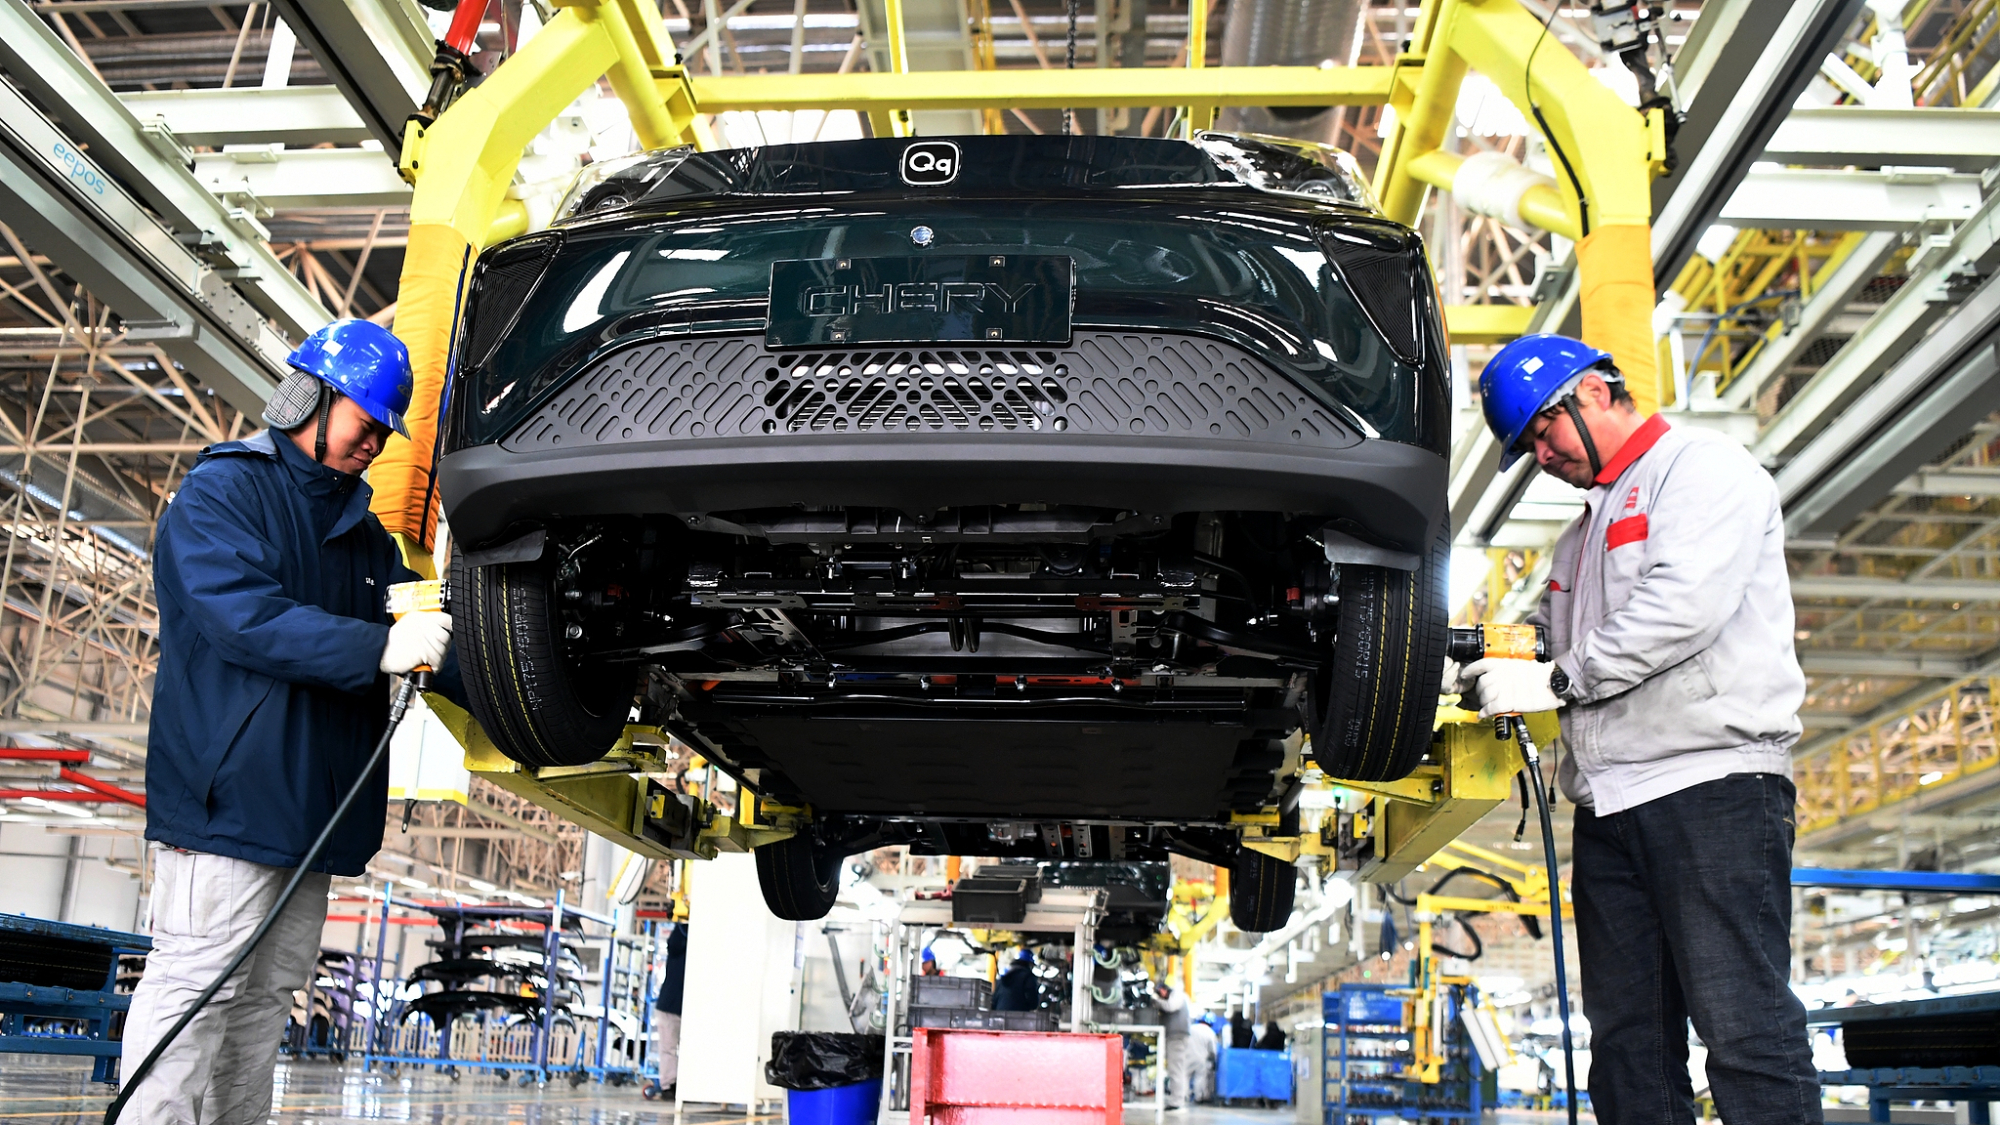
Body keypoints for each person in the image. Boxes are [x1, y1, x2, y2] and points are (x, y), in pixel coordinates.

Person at [1460, 334, 1814, 1125]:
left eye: (1543, 431)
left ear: (1593, 392)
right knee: (1626, 1043)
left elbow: (1681, 607)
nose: (1542, 456)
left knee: (1743, 1024)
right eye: (1528, 447)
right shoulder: (1577, 538)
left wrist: (1555, 679)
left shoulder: (1701, 470)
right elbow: (1552, 639)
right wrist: (1489, 657)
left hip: (1709, 786)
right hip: (1609, 804)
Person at [120, 319, 457, 1125]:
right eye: (365, 422)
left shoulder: (367, 541)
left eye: (384, 433)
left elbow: (429, 641)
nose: (374, 443)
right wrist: (379, 645)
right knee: (196, 993)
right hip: (228, 807)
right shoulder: (224, 493)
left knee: (264, 1004)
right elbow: (242, 615)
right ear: (310, 396)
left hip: (310, 818)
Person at [652, 923, 687, 1096]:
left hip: (678, 1005)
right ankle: (668, 1085)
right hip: (671, 1006)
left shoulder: (682, 937)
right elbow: (675, 942)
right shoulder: (681, 937)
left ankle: (672, 1084)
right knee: (669, 1048)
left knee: (670, 1049)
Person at [1152, 983, 1192, 1111]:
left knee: (1175, 1069)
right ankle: (1178, 1099)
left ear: (1164, 989)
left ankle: (1177, 1101)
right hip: (1174, 1037)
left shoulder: (1177, 995)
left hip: (1177, 1038)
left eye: (1160, 993)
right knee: (1176, 1069)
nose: (1161, 997)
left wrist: (1155, 1001)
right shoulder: (1175, 996)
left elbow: (1170, 1006)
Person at [1189, 1014, 1219, 1103]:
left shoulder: (1191, 1028)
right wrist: (1214, 1059)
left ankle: (1183, 1097)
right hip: (1201, 1058)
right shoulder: (1210, 1032)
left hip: (1186, 1056)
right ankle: (1198, 1097)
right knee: (1199, 1078)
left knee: (1184, 1077)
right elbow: (1213, 1050)